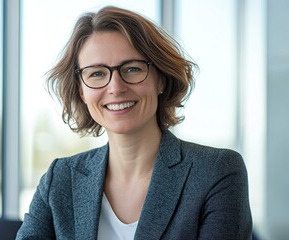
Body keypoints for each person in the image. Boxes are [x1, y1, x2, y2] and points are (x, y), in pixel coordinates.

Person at [16, 5, 252, 240]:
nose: (116, 87)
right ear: (81, 90)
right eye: (97, 73)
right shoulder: (60, 179)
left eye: (132, 69)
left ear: (160, 79)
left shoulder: (216, 172)